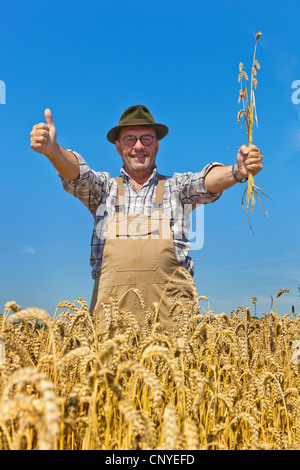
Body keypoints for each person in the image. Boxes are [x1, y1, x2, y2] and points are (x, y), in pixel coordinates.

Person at [30, 105, 263, 333]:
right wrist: (53, 151)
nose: (139, 146)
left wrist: (237, 171)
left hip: (174, 332)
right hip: (111, 332)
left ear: (157, 146)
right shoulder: (104, 190)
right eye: (130, 139)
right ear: (118, 147)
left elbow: (205, 181)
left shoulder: (176, 188)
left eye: (147, 139)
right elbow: (78, 175)